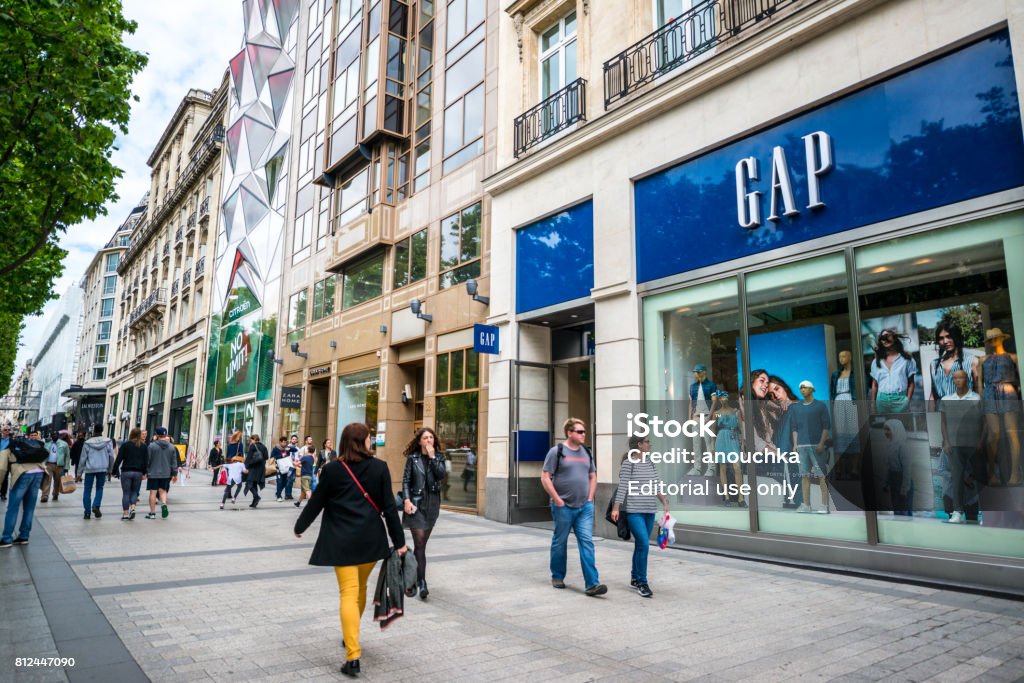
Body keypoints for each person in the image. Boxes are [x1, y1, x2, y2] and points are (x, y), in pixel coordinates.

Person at [294, 422, 407, 678]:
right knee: (361, 589)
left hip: (341, 540)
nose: (371, 441)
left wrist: (300, 526)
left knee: (348, 592)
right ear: (362, 441)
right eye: (369, 438)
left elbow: (318, 502)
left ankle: (353, 655)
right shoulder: (379, 468)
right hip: (370, 541)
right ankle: (351, 635)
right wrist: (399, 543)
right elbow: (389, 508)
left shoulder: (332, 470)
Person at [541, 418, 606, 596]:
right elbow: (545, 477)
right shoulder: (557, 452)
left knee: (586, 542)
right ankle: (557, 576)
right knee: (560, 541)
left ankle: (592, 584)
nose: (583, 434)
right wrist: (557, 500)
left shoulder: (586, 452)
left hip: (584, 507)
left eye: (584, 431)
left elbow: (593, 476)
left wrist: (590, 498)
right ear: (569, 433)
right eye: (579, 431)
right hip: (563, 506)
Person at [611, 434, 670, 598]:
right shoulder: (629, 463)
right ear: (639, 445)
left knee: (640, 545)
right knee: (644, 543)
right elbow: (622, 487)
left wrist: (664, 502)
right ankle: (642, 583)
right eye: (647, 442)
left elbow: (655, 484)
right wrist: (616, 508)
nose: (650, 444)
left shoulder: (650, 463)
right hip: (634, 511)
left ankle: (635, 578)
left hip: (649, 510)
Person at [401, 427, 447, 599]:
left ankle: (411, 565)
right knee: (420, 543)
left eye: (431, 438)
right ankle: (422, 583)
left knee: (422, 545)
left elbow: (441, 475)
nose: (429, 440)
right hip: (415, 505)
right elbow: (406, 481)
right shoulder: (412, 459)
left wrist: (433, 456)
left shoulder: (439, 458)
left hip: (432, 505)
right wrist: (406, 500)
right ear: (419, 441)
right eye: (425, 438)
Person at [978, 328, 1021, 486]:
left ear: (1002, 338)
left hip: (1008, 391)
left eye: (996, 338)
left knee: (1012, 434)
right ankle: (992, 474)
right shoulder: (983, 359)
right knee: (993, 434)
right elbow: (980, 384)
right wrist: (982, 400)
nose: (993, 341)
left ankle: (1015, 474)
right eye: (991, 339)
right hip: (990, 393)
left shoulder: (1013, 357)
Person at [940, 369, 983, 524]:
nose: (958, 381)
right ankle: (957, 512)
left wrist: (980, 441)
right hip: (955, 446)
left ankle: (984, 513)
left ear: (967, 379)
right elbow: (943, 423)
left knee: (980, 479)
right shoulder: (946, 399)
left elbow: (983, 422)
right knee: (957, 479)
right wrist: (946, 441)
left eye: (961, 378)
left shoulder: (976, 398)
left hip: (974, 445)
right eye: (955, 378)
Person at [788, 381, 831, 514]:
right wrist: (795, 444)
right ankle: (806, 504)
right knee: (804, 475)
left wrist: (821, 443)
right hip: (802, 446)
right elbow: (794, 427)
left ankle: (824, 505)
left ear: (812, 389)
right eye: (800, 388)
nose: (802, 390)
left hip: (816, 446)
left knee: (821, 475)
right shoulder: (796, 407)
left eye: (805, 387)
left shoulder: (820, 406)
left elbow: (826, 426)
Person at [0, 429, 47, 548]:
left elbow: (1, 469)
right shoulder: (26, 445)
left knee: (13, 507)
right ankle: (24, 536)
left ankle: (6, 539)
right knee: (29, 507)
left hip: (23, 474)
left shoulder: (6, 450)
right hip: (38, 472)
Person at [930, 321, 979, 405]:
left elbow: (980, 392)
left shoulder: (972, 361)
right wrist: (930, 416)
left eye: (949, 336)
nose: (945, 341)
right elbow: (933, 396)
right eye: (941, 338)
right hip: (942, 414)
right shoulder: (934, 365)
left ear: (956, 337)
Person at [870, 328, 917, 414]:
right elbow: (874, 385)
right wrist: (873, 405)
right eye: (882, 338)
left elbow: (911, 383)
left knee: (901, 426)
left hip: (900, 400)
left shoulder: (907, 359)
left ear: (894, 338)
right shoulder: (876, 361)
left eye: (887, 336)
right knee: (884, 426)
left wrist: (907, 401)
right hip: (881, 401)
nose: (884, 340)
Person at [829, 350, 861, 479]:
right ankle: (839, 468)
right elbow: (832, 391)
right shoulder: (836, 374)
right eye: (839, 356)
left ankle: (854, 468)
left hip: (851, 401)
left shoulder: (855, 373)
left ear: (850, 357)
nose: (841, 359)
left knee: (853, 432)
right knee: (839, 433)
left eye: (844, 356)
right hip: (838, 402)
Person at [711, 391, 746, 508]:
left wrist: (742, 443)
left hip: (733, 438)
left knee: (737, 466)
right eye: (720, 398)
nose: (723, 399)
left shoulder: (735, 411)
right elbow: (712, 431)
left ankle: (741, 497)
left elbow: (741, 428)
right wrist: (712, 446)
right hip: (721, 439)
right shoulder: (716, 413)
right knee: (722, 468)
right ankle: (726, 497)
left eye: (724, 397)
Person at [688, 364, 718, 476]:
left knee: (709, 443)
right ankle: (697, 468)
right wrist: (689, 418)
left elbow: (714, 402)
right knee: (695, 444)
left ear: (704, 372)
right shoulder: (692, 386)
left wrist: (709, 416)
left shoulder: (711, 385)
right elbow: (690, 402)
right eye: (696, 372)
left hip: (706, 416)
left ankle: (711, 467)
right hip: (696, 417)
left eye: (698, 372)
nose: (697, 374)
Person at [80, 424, 115, 520]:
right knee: (100, 488)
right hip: (102, 468)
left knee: (87, 489)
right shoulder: (108, 441)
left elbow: (83, 458)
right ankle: (96, 505)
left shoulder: (87, 442)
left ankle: (87, 512)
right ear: (102, 430)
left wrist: (79, 473)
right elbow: (111, 456)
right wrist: (110, 469)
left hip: (90, 469)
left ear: (94, 430)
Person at [112, 427, 147, 521]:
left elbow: (119, 459)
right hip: (138, 472)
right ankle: (133, 508)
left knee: (126, 493)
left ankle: (125, 513)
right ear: (140, 435)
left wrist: (114, 470)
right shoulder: (143, 446)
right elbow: (145, 461)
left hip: (126, 472)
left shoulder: (126, 445)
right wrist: (144, 473)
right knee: (134, 492)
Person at [145, 427, 178, 519]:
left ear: (157, 435)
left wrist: (145, 471)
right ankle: (163, 504)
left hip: (153, 473)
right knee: (163, 491)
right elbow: (174, 462)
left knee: (153, 493)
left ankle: (152, 513)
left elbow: (147, 460)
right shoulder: (172, 447)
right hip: (166, 474)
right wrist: (174, 474)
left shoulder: (151, 446)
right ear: (166, 435)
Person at [882, 419, 911, 515]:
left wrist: (904, 490)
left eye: (888, 429)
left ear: (896, 430)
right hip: (894, 481)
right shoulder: (890, 445)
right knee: (896, 509)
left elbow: (907, 469)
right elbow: (889, 467)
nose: (886, 432)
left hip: (902, 481)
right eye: (885, 429)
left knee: (903, 510)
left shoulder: (902, 446)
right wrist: (886, 483)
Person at [40, 431, 70, 503]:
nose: (54, 436)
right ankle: (45, 495)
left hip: (59, 465)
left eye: (55, 435)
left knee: (57, 481)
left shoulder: (64, 444)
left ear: (58, 435)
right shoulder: (47, 444)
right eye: (52, 435)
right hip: (49, 464)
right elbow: (43, 454)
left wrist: (66, 467)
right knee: (47, 481)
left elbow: (67, 456)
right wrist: (42, 464)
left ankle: (55, 494)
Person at [243, 434, 268, 508]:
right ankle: (254, 502)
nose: (250, 441)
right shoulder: (264, 446)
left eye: (251, 440)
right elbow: (266, 457)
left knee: (249, 483)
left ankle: (256, 497)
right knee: (254, 484)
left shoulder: (253, 446)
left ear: (254, 439)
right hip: (261, 468)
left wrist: (245, 467)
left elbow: (249, 457)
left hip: (253, 467)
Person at [271, 436, 292, 501]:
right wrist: (281, 456)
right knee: (279, 482)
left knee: (285, 482)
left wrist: (289, 450)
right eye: (283, 442)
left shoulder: (286, 449)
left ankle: (278, 493)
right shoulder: (276, 449)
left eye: (286, 442)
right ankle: (279, 496)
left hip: (285, 467)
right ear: (280, 442)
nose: (284, 444)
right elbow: (272, 457)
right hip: (278, 468)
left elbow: (294, 451)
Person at [0, 425, 11, 502]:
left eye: (8, 430)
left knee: (5, 478)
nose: (7, 431)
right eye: (5, 430)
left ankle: (3, 494)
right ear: (2, 431)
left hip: (6, 461)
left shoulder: (12, 441)